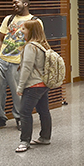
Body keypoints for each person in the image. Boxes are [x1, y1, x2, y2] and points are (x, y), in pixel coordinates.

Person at [0, 0, 32, 129]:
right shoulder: (9, 19)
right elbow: (0, 39)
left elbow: (34, 42)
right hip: (1, 60)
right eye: (12, 3)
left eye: (16, 2)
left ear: (25, 4)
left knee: (18, 92)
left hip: (18, 62)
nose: (14, 5)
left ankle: (20, 118)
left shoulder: (34, 21)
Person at [13, 18, 53, 152]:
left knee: (24, 112)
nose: (21, 31)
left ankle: (24, 141)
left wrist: (20, 86)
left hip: (33, 85)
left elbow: (26, 68)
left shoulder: (30, 46)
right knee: (43, 111)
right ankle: (45, 137)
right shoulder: (43, 44)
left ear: (30, 31)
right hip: (43, 83)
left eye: (24, 29)